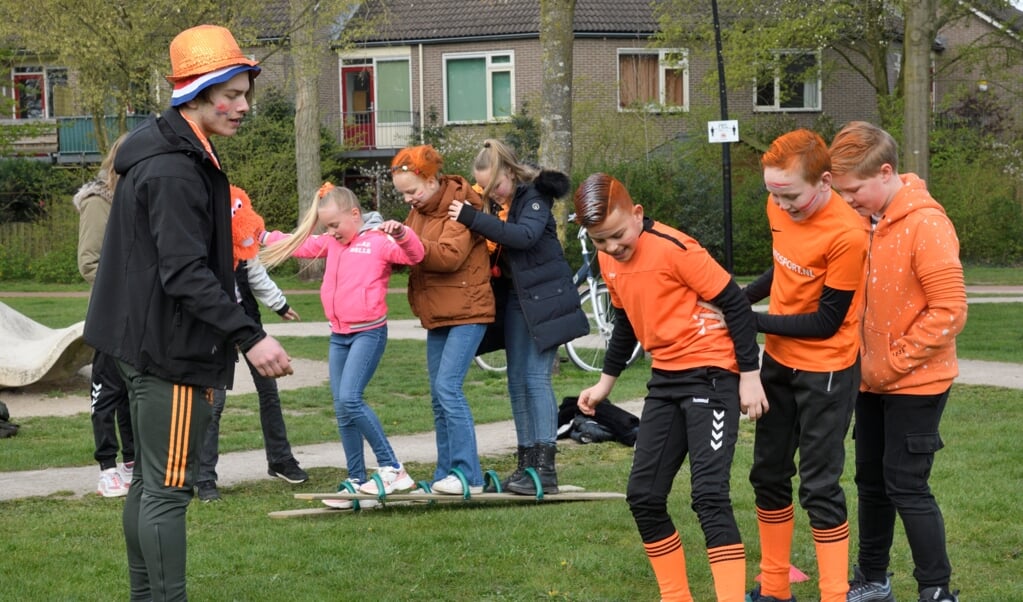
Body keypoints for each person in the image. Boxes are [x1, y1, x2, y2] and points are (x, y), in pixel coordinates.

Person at [83, 24, 293, 601]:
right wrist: (251, 336)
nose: (243, 105)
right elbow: (184, 272)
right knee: (168, 491)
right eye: (231, 94)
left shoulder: (166, 147)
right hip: (167, 352)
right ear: (194, 93)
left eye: (246, 92)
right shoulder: (174, 166)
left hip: (136, 343)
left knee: (148, 483)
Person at [573, 172, 769, 602]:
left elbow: (734, 302)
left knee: (709, 497)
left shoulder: (676, 249)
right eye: (601, 241)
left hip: (713, 376)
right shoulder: (608, 259)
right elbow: (625, 320)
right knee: (643, 496)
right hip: (665, 380)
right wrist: (606, 384)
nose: (613, 248)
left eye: (619, 236)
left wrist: (750, 377)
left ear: (638, 214)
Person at [829, 122, 966, 602]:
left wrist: (889, 364)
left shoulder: (927, 224)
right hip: (868, 384)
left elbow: (949, 312)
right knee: (871, 482)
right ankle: (873, 579)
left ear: (885, 173)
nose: (847, 200)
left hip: (917, 382)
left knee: (906, 484)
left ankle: (935, 589)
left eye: (854, 190)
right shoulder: (867, 221)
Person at [744, 129, 868, 602]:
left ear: (825, 182)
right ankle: (774, 587)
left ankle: (835, 595)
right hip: (778, 360)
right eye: (773, 193)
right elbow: (784, 265)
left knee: (819, 487)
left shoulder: (848, 233)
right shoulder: (779, 204)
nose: (782, 204)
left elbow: (826, 321)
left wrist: (750, 320)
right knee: (768, 475)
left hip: (828, 370)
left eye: (791, 194)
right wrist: (740, 299)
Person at [261, 182, 424, 507]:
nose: (332, 232)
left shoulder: (379, 241)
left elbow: (415, 255)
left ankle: (393, 468)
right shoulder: (332, 243)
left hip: (369, 333)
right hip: (339, 335)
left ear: (354, 214)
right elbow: (298, 244)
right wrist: (259, 235)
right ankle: (356, 480)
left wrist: (403, 233)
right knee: (342, 407)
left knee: (350, 399)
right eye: (327, 227)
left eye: (335, 225)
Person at [446, 139, 588, 495]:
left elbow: (523, 237)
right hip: (516, 300)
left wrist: (472, 217)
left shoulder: (534, 197)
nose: (493, 194)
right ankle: (526, 465)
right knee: (516, 381)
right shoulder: (500, 206)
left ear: (509, 172)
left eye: (496, 186)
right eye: (486, 189)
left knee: (536, 380)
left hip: (544, 301)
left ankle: (545, 468)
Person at [390, 144, 495, 495]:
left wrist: (406, 241)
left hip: (468, 310)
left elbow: (449, 256)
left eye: (412, 191)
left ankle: (470, 475)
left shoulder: (459, 206)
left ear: (430, 179)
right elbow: (409, 250)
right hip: (438, 312)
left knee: (448, 388)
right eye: (402, 194)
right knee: (438, 395)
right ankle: (444, 474)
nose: (408, 199)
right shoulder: (419, 212)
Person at [195, 185, 308, 502]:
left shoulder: (242, 245)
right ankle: (204, 478)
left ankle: (281, 460)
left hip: (247, 322)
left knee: (269, 391)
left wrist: (280, 305)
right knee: (213, 403)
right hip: (214, 327)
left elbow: (256, 274)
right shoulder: (199, 247)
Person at [74, 134, 135, 498]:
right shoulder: (100, 201)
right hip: (111, 313)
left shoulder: (138, 197)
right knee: (107, 391)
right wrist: (132, 289)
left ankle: (132, 461)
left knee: (133, 391)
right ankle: (107, 467)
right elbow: (90, 263)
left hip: (140, 316)